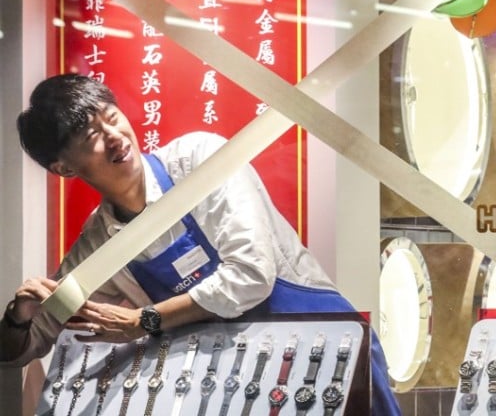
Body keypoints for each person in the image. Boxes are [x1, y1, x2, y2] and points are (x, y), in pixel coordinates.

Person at [0, 74, 401, 415]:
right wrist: (19, 317)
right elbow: (19, 350)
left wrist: (144, 321)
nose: (115, 136)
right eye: (91, 135)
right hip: (242, 384)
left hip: (329, 351)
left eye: (112, 117)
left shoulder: (200, 159)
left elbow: (251, 275)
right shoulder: (97, 245)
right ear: (64, 168)